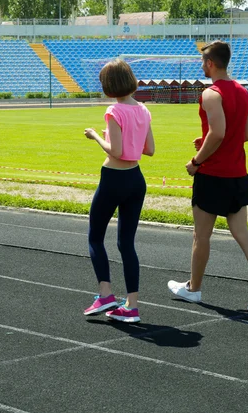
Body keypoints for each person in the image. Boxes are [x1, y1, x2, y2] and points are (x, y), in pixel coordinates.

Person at [167, 41, 248, 312]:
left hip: (213, 175)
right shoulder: (242, 91)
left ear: (211, 64)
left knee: (201, 235)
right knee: (242, 232)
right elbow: (244, 134)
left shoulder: (211, 94)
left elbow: (218, 133)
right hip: (238, 173)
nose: (201, 66)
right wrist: (206, 139)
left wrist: (196, 161)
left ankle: (193, 288)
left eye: (203, 62)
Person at [83, 59, 155, 323]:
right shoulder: (143, 110)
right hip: (136, 179)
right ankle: (131, 306)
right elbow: (149, 150)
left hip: (113, 177)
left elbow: (115, 151)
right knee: (126, 244)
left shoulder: (113, 110)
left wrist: (96, 136)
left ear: (110, 85)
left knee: (95, 237)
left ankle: (105, 294)